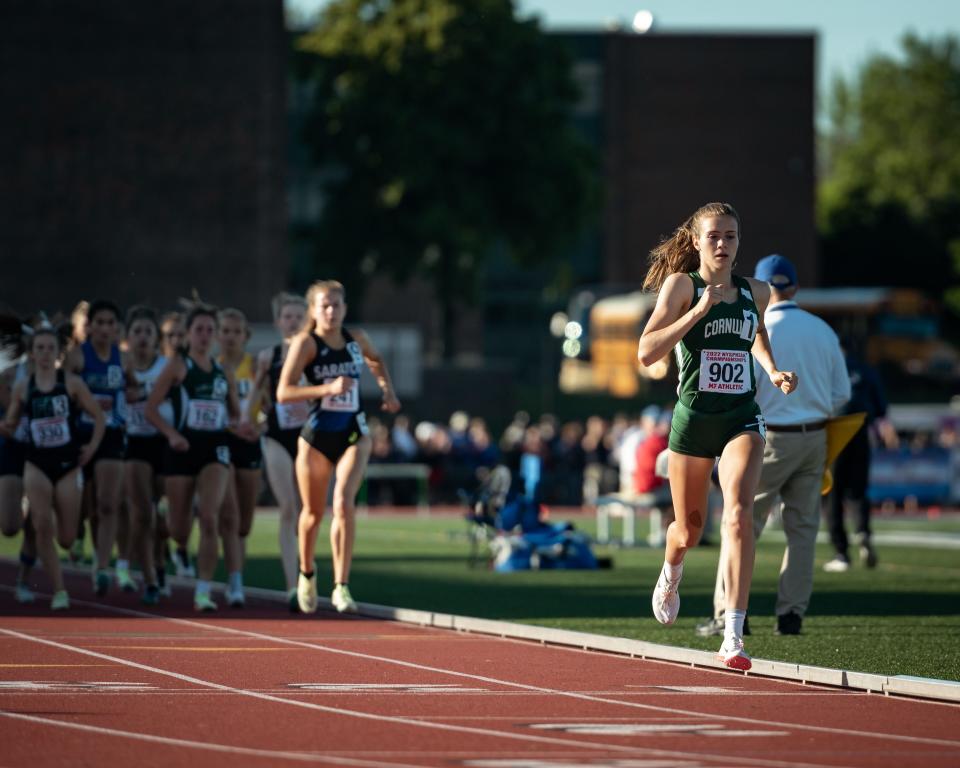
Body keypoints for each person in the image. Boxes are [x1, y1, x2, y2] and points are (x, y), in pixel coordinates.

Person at [637, 202, 797, 670]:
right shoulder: (681, 286)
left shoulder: (758, 291)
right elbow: (647, 351)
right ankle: (671, 571)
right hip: (692, 422)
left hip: (740, 418)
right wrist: (697, 311)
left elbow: (756, 334)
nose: (723, 245)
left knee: (739, 514)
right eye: (714, 237)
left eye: (730, 237)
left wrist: (772, 370)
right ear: (696, 242)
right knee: (687, 530)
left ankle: (732, 634)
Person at [696, 254, 850, 637]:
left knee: (740, 520)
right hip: (814, 435)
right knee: (803, 531)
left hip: (763, 436)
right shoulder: (823, 330)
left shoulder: (749, 325)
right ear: (794, 287)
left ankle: (728, 612)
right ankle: (791, 615)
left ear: (761, 289)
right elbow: (841, 395)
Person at [277, 280, 400, 614]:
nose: (331, 311)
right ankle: (306, 573)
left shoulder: (356, 339)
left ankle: (341, 586)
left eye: (337, 305)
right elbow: (283, 392)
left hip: (353, 433)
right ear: (313, 311)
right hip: (316, 437)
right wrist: (326, 388)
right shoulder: (306, 344)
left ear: (345, 308)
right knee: (313, 514)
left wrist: (387, 390)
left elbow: (377, 360)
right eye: (325, 306)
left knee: (344, 504)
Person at [145, 302, 254, 611]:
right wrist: (172, 435)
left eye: (210, 330)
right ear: (188, 334)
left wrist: (244, 428)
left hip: (215, 448)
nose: (205, 336)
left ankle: (203, 590)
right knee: (179, 530)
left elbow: (233, 414)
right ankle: (170, 550)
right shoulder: (178, 366)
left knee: (210, 517)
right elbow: (151, 408)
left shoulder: (224, 372)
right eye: (199, 330)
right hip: (182, 448)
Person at [2, 321, 105, 609]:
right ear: (32, 354)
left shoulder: (71, 383)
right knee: (42, 524)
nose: (45, 353)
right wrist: (6, 427)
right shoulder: (24, 386)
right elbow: (11, 423)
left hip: (68, 462)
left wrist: (91, 448)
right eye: (40, 348)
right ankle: (60, 590)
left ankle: (69, 539)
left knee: (67, 538)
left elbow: (98, 417)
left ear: (59, 353)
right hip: (36, 463)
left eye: (51, 348)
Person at [64, 299, 133, 596]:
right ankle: (79, 539)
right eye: (100, 323)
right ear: (90, 326)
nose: (106, 329)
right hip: (80, 435)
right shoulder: (78, 357)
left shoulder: (124, 358)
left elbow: (133, 388)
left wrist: (133, 393)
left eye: (111, 323)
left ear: (117, 328)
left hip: (113, 434)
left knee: (108, 503)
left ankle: (102, 566)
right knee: (86, 505)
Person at [250, 292, 309, 611]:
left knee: (307, 510)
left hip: (309, 438)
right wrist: (249, 419)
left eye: (299, 316)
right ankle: (292, 586)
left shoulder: (314, 355)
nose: (293, 321)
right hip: (275, 435)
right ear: (278, 321)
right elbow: (256, 394)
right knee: (287, 507)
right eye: (287, 316)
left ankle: (307, 575)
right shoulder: (267, 356)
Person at [823, 338, 890, 572]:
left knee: (833, 493)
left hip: (834, 432)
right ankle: (862, 531)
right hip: (860, 430)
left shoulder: (825, 368)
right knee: (858, 490)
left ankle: (841, 552)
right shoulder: (865, 370)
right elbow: (881, 409)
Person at [123, 306, 171, 605]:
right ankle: (150, 578)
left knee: (164, 518)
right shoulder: (121, 367)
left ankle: (162, 562)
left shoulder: (167, 367)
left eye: (148, 332)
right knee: (142, 515)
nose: (142, 337)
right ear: (128, 337)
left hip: (164, 441)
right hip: (134, 443)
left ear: (157, 338)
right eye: (137, 332)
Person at [217, 307, 263, 607]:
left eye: (237, 332)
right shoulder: (212, 365)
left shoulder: (256, 365)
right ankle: (235, 582)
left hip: (250, 442)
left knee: (244, 523)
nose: (231, 337)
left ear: (245, 336)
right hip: (222, 442)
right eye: (226, 331)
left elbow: (273, 404)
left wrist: (259, 427)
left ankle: (236, 575)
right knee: (229, 516)